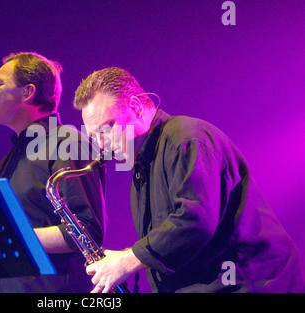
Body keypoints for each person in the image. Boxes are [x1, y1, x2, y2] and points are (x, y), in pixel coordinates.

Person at [73, 67, 303, 293]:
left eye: (105, 129)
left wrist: (129, 259)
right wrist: (126, 256)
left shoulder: (185, 138)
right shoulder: (144, 165)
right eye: (94, 136)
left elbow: (195, 220)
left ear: (135, 107)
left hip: (249, 284)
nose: (101, 145)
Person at [0, 52, 106, 293]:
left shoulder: (67, 142)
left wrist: (12, 236)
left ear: (27, 92)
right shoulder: (12, 158)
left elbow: (86, 231)